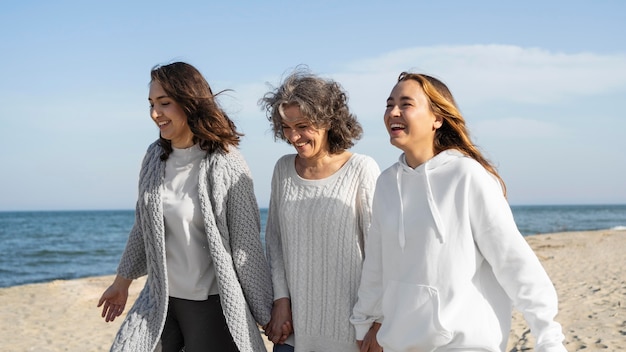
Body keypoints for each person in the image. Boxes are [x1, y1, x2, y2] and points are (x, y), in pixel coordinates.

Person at [350, 72, 568, 352]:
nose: (393, 112)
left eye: (406, 104)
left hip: (464, 344)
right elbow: (376, 265)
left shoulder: (466, 176)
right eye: (389, 104)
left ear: (437, 118)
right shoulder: (387, 183)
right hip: (400, 344)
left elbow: (512, 260)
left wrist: (548, 335)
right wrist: (365, 321)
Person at [97, 62, 273, 352]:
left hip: (212, 306)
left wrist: (266, 313)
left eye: (164, 103)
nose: (155, 114)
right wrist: (121, 283)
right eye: (152, 104)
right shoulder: (154, 157)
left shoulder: (226, 163)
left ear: (190, 103)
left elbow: (247, 247)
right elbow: (144, 227)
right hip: (160, 301)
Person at [259, 67, 380, 352]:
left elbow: (379, 253)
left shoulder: (361, 169)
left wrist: (377, 322)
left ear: (327, 121)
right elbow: (275, 243)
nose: (294, 136)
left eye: (302, 126)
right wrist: (281, 300)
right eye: (286, 127)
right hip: (293, 334)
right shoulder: (283, 170)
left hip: (351, 335)